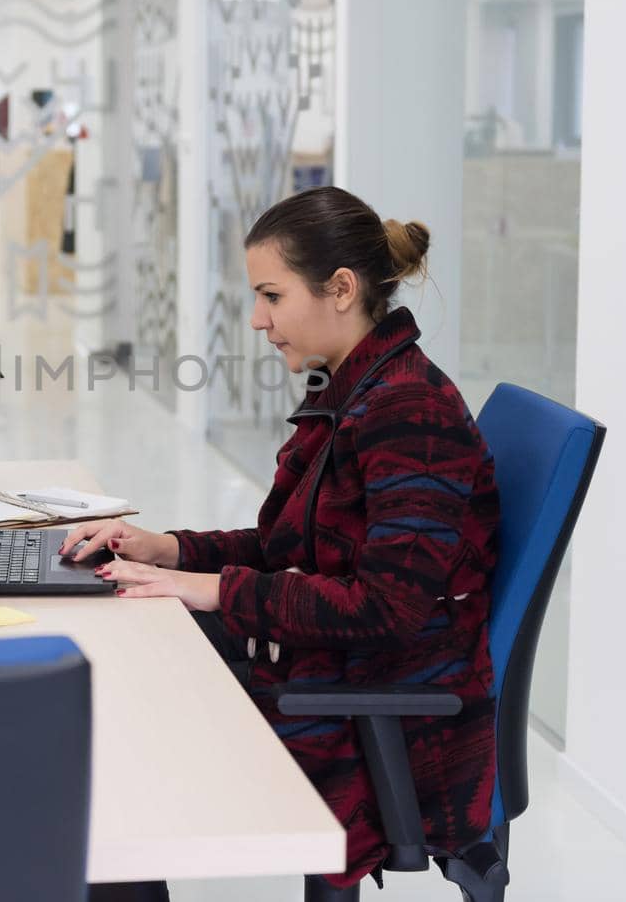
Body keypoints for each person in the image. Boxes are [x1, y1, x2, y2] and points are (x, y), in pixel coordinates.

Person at [64, 187, 501, 895]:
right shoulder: (358, 390)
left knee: (115, 761)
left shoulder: (408, 410)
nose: (258, 320)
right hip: (330, 670)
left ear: (341, 289)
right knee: (114, 699)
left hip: (380, 705)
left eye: (271, 295)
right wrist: (166, 551)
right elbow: (289, 547)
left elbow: (385, 610)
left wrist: (209, 589)